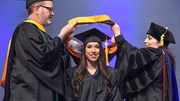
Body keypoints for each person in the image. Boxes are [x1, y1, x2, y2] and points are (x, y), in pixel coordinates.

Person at [1, 0, 77, 101]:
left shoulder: (44, 36)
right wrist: (61, 35)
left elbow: (55, 59)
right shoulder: (26, 29)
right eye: (50, 9)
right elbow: (42, 55)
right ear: (37, 8)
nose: (53, 13)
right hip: (27, 95)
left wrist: (63, 41)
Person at [111, 22, 179, 101]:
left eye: (149, 38)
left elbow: (132, 55)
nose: (145, 41)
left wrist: (118, 35)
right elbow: (132, 66)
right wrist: (119, 46)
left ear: (160, 42)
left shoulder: (159, 54)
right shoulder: (159, 57)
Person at [65, 28, 122, 101]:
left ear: (101, 50)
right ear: (84, 50)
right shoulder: (72, 73)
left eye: (97, 47)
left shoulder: (111, 73)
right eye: (89, 47)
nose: (93, 51)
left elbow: (115, 98)